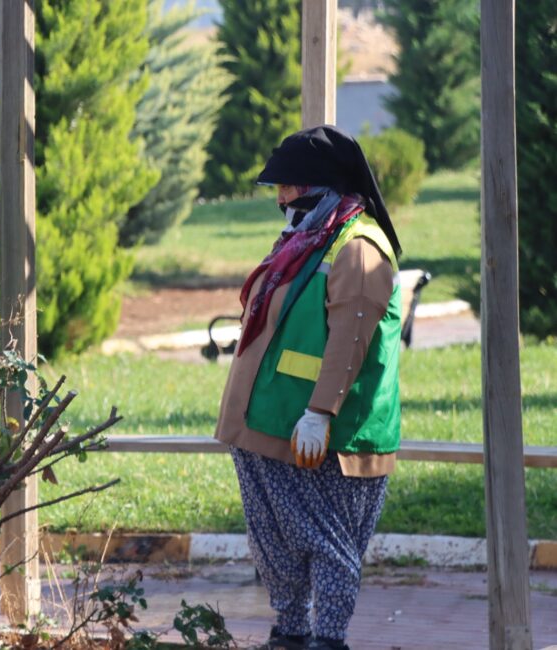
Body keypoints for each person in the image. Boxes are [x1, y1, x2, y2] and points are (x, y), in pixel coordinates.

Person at [214, 125, 403, 650]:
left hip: (325, 435)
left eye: (289, 188)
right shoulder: (306, 240)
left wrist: (320, 411)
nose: (280, 199)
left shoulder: (357, 248)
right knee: (273, 544)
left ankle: (327, 640)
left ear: (321, 187)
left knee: (327, 546)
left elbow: (350, 337)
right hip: (265, 425)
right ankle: (292, 633)